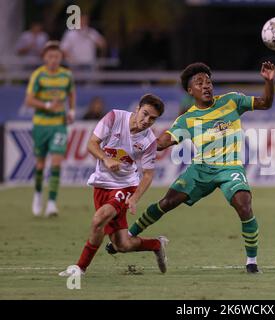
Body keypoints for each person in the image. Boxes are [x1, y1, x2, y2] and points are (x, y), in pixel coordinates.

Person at [106, 61, 275, 273]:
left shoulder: (232, 101)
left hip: (229, 168)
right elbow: (161, 143)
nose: (206, 85)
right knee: (166, 203)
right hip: (201, 169)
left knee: (244, 205)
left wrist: (269, 82)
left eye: (208, 81)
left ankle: (252, 262)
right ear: (190, 90)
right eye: (199, 82)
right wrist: (132, 139)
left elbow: (265, 103)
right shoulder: (187, 119)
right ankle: (129, 235)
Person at [59, 94, 168, 277]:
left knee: (98, 219)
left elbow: (148, 174)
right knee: (122, 245)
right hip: (101, 184)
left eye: (153, 119)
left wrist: (134, 197)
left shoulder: (149, 141)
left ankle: (80, 268)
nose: (147, 120)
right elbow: (92, 144)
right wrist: (106, 158)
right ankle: (156, 244)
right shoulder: (114, 117)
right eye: (145, 114)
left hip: (124, 186)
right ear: (137, 109)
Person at [25, 41, 76, 217]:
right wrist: (47, 104)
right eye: (50, 56)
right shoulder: (38, 75)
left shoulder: (66, 75)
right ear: (44, 58)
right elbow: (29, 101)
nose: (54, 59)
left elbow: (71, 93)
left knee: (56, 162)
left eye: (57, 56)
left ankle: (52, 203)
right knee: (40, 164)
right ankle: (38, 195)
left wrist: (71, 110)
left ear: (61, 57)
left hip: (59, 124)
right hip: (41, 124)